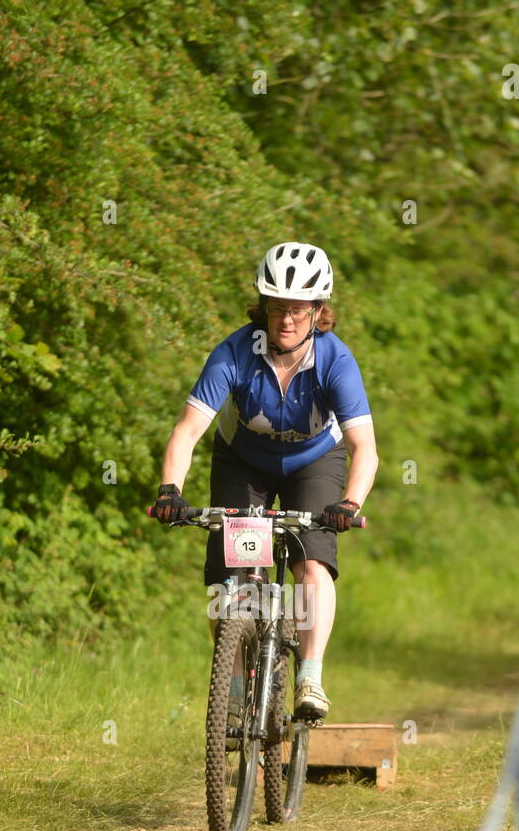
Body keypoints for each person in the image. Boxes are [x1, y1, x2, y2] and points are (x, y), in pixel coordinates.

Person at [153, 242, 378, 721]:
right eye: (277, 308)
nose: (287, 320)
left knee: (311, 563)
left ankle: (310, 678)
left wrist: (351, 502)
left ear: (318, 311)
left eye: (298, 309)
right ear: (263, 308)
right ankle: (233, 693)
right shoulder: (234, 352)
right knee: (231, 582)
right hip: (244, 463)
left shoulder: (335, 361)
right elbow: (187, 431)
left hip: (314, 462)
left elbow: (366, 449)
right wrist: (170, 489)